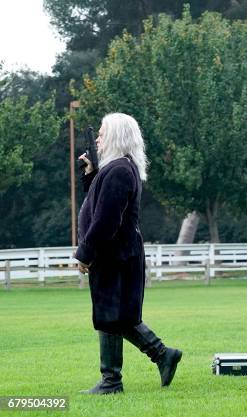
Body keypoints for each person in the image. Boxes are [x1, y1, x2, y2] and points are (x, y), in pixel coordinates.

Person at [76, 113, 182, 394]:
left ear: (115, 136)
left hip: (116, 255)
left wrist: (85, 252)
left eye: (101, 133)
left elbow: (105, 220)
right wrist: (90, 175)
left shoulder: (119, 170)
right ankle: (159, 356)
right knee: (115, 315)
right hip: (115, 254)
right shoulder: (115, 170)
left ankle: (113, 380)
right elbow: (97, 204)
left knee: (114, 315)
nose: (97, 138)